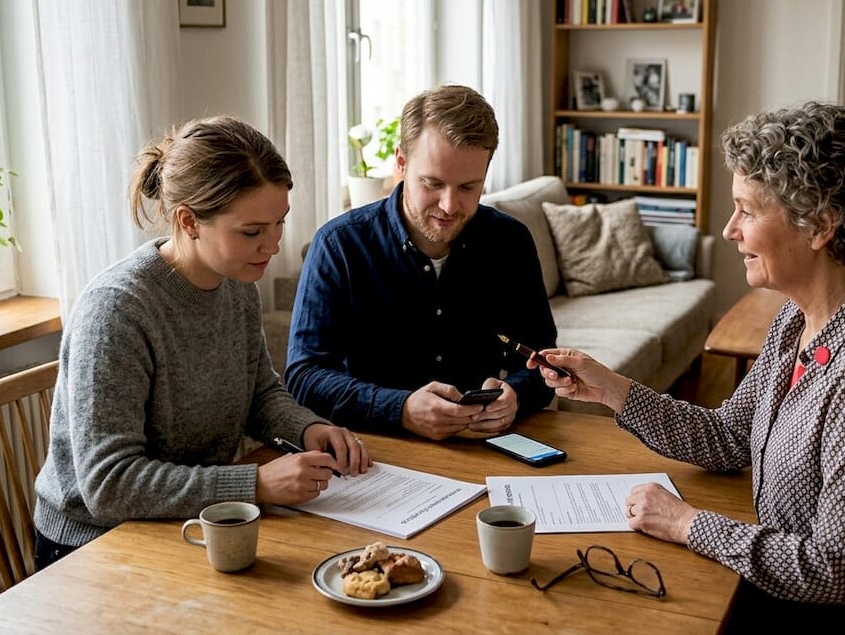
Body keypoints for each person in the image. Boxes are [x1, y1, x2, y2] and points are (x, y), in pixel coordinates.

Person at [532, 102, 845, 630]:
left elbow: (835, 572)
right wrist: (611, 389)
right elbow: (728, 436)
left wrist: (687, 523)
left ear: (819, 225)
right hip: (802, 594)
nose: (728, 231)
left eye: (747, 210)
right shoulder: (798, 320)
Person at [33, 117, 371, 569]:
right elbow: (110, 486)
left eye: (279, 224)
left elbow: (260, 395)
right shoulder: (116, 312)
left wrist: (307, 429)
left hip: (193, 521)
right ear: (189, 221)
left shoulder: (235, 284)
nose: (271, 245)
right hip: (96, 545)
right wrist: (255, 484)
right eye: (251, 231)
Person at [285, 84, 557, 441]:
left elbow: (543, 361)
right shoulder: (339, 246)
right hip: (379, 448)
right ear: (400, 162)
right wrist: (400, 409)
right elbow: (304, 376)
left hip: (483, 446)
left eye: (467, 187)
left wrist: (516, 396)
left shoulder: (510, 241)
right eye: (432, 183)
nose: (448, 205)